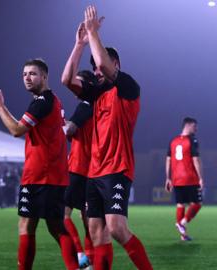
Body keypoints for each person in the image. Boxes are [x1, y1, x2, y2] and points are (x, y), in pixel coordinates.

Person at [61, 6, 152, 269]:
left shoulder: (128, 88)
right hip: (94, 172)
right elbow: (66, 78)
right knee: (97, 230)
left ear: (117, 65)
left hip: (117, 169)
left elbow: (102, 63)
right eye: (95, 70)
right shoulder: (95, 95)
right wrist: (79, 44)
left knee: (116, 229)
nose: (97, 72)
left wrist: (92, 33)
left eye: (102, 68)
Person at [0, 59, 79, 269]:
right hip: (53, 174)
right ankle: (76, 266)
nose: (27, 78)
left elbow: (16, 130)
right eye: (24, 74)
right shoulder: (52, 100)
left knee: (29, 225)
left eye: (32, 74)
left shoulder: (42, 102)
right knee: (54, 227)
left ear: (44, 76)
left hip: (40, 175)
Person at [61, 70, 98, 269]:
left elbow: (70, 130)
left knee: (62, 214)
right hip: (92, 169)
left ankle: (80, 254)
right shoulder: (96, 106)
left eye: (79, 83)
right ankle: (90, 260)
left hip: (77, 167)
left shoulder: (84, 105)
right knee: (86, 218)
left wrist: (59, 127)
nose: (75, 86)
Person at [165, 117, 204, 241]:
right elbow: (195, 159)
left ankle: (183, 235)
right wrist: (201, 177)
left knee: (180, 204)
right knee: (197, 204)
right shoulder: (192, 140)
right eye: (194, 126)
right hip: (190, 177)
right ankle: (182, 223)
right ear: (187, 125)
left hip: (176, 178)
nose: (196, 129)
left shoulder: (173, 140)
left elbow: (168, 159)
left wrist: (168, 178)